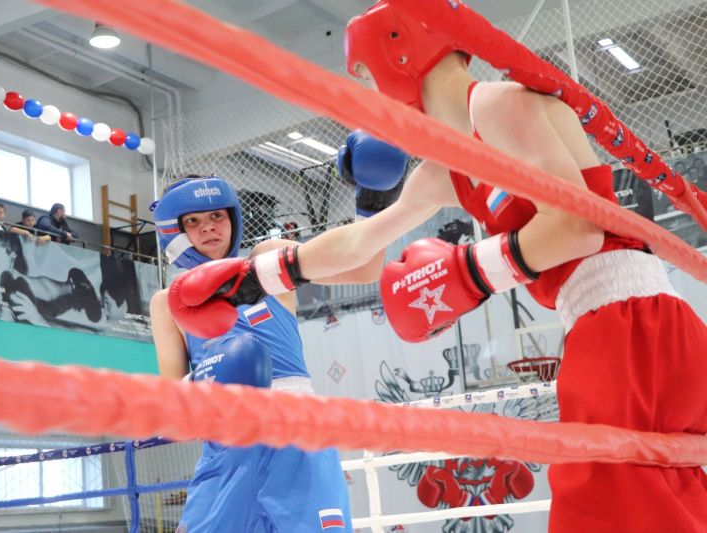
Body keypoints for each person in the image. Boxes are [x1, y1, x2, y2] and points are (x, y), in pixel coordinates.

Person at [165, 2, 707, 532]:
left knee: (607, 502)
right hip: (624, 325)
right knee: (664, 495)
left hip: (627, 321)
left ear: (396, 57)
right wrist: (254, 277)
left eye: (368, 79)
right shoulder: (448, 164)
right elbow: (360, 245)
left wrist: (467, 273)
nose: (373, 100)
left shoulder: (500, 105)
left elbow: (576, 229)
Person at [149, 172, 409, 533]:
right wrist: (207, 377)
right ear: (174, 232)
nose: (208, 227)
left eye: (216, 216)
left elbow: (364, 268)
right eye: (192, 221)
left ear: (232, 217)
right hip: (227, 446)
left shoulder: (265, 262)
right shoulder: (167, 303)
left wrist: (374, 200)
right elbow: (174, 412)